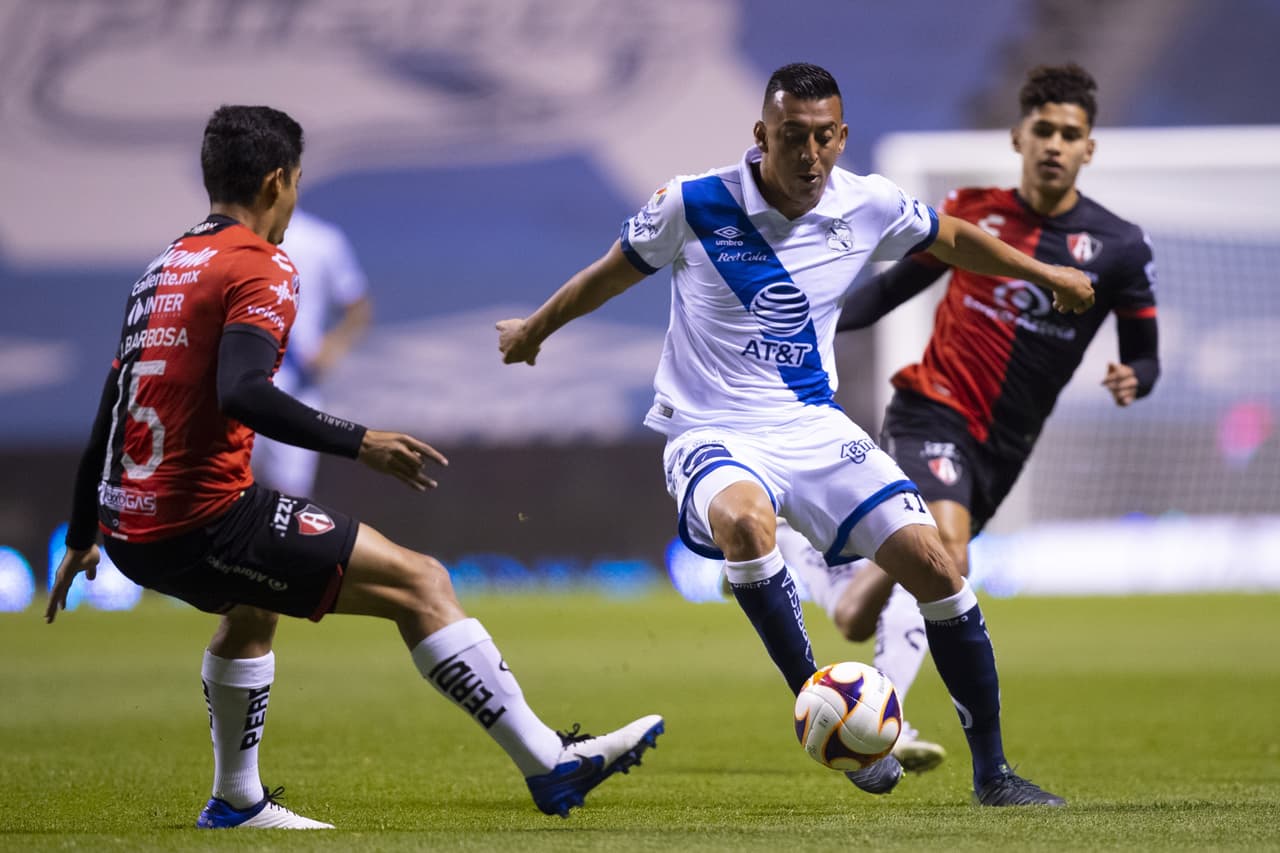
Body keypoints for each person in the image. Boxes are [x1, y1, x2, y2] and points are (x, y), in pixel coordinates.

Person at [45, 105, 663, 830]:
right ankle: (549, 762)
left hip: (131, 524)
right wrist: (360, 440)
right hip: (201, 519)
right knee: (422, 581)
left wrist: (85, 530)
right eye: (297, 183)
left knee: (253, 606)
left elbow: (108, 407)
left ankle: (237, 800)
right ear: (278, 180)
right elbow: (241, 391)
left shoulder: (162, 269)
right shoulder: (261, 264)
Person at [498, 63, 1093, 807]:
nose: (809, 155)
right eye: (791, 137)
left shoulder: (867, 204)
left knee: (938, 566)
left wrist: (1045, 274)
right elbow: (609, 274)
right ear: (761, 135)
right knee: (749, 523)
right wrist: (534, 329)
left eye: (822, 138)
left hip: (812, 426)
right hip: (710, 430)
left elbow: (954, 239)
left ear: (841, 137)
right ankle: (821, 707)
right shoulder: (694, 202)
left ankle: (995, 774)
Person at [782, 62, 1160, 776]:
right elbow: (893, 288)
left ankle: (823, 557)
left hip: (1003, 448)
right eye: (1042, 130)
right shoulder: (975, 214)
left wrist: (1131, 375)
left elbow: (1146, 354)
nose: (1054, 143)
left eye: (1069, 134)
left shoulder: (1118, 248)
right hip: (933, 408)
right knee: (950, 555)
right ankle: (894, 720)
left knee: (861, 613)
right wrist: (815, 324)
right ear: (1019, 137)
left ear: (1089, 148)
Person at [252, 207, 372, 497]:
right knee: (226, 497)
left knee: (290, 500)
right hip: (237, 383)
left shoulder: (321, 240)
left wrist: (332, 347)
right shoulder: (226, 241)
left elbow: (357, 307)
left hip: (295, 387)